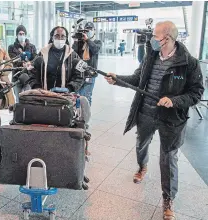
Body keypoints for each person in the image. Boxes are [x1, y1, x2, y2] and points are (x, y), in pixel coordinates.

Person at [105, 21, 204, 220]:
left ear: (167, 38)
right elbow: (136, 79)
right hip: (146, 114)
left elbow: (196, 93)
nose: (152, 39)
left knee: (168, 159)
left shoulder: (189, 62)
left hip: (171, 120)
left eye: (156, 35)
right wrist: (118, 79)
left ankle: (168, 198)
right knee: (141, 144)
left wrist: (174, 101)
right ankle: (142, 166)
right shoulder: (150, 55)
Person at [72, 22, 102, 106]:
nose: (88, 31)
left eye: (90, 29)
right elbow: (73, 54)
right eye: (86, 29)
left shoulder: (97, 42)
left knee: (87, 97)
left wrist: (87, 40)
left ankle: (86, 116)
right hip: (78, 74)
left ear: (94, 31)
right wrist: (75, 41)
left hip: (90, 74)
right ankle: (78, 114)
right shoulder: (80, 42)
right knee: (76, 96)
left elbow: (95, 50)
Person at [8, 25, 37, 102]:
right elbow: (13, 60)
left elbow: (35, 59)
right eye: (20, 34)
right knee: (19, 99)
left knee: (28, 98)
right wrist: (23, 64)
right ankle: (18, 113)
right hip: (17, 77)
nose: (21, 35)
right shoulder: (11, 47)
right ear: (17, 35)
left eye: (23, 34)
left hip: (29, 77)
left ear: (25, 34)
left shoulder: (32, 47)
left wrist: (30, 63)